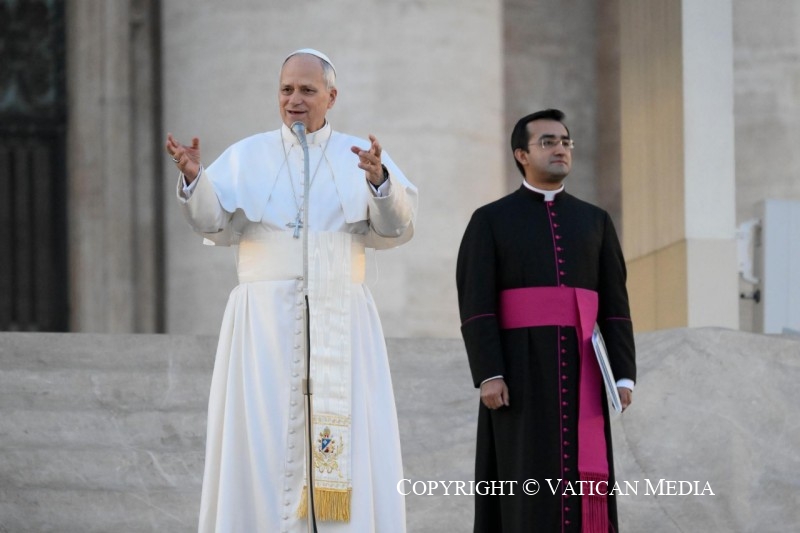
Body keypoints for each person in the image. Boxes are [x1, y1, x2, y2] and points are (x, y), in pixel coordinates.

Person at [166, 49, 418, 533]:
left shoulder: (359, 157)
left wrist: (381, 184)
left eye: (307, 90)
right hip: (262, 324)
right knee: (260, 440)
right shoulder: (247, 154)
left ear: (331, 96)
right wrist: (195, 179)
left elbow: (394, 229)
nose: (294, 99)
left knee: (348, 444)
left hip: (340, 318)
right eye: (286, 89)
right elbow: (212, 222)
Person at [456, 109, 636, 533]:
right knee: (522, 479)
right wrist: (489, 373)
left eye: (566, 141)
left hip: (583, 371)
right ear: (521, 154)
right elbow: (476, 302)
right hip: (518, 374)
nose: (561, 149)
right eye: (548, 142)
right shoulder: (490, 219)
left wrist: (623, 375)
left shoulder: (595, 220)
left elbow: (615, 303)